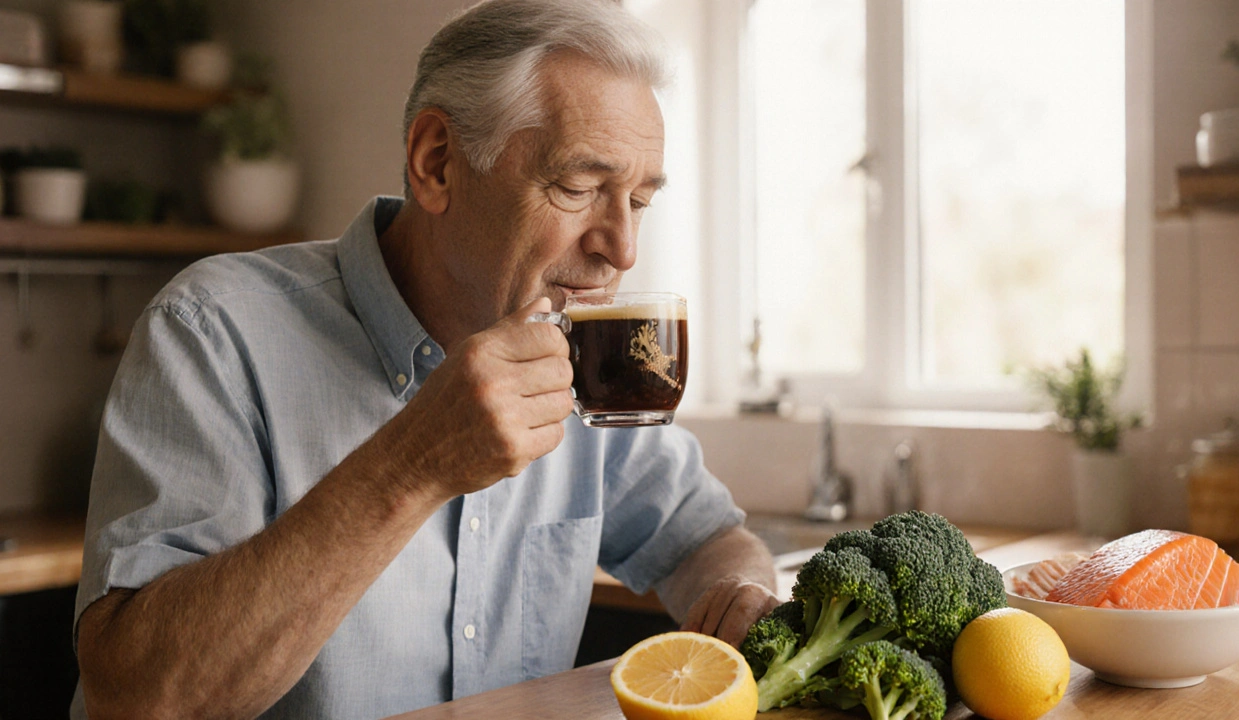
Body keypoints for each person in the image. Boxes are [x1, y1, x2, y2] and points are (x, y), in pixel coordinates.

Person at [71, 1, 779, 717]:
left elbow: (709, 539)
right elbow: (136, 697)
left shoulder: (584, 364)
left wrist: (740, 597)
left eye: (638, 201)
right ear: (437, 162)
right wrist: (415, 464)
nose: (621, 249)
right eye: (577, 188)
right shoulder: (212, 332)